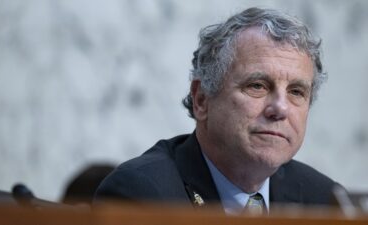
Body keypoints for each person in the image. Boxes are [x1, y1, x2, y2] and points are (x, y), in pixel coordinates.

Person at [94, 7, 340, 214]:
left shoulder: (325, 201)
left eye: (296, 92)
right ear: (201, 99)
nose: (280, 108)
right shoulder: (143, 195)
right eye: (257, 86)